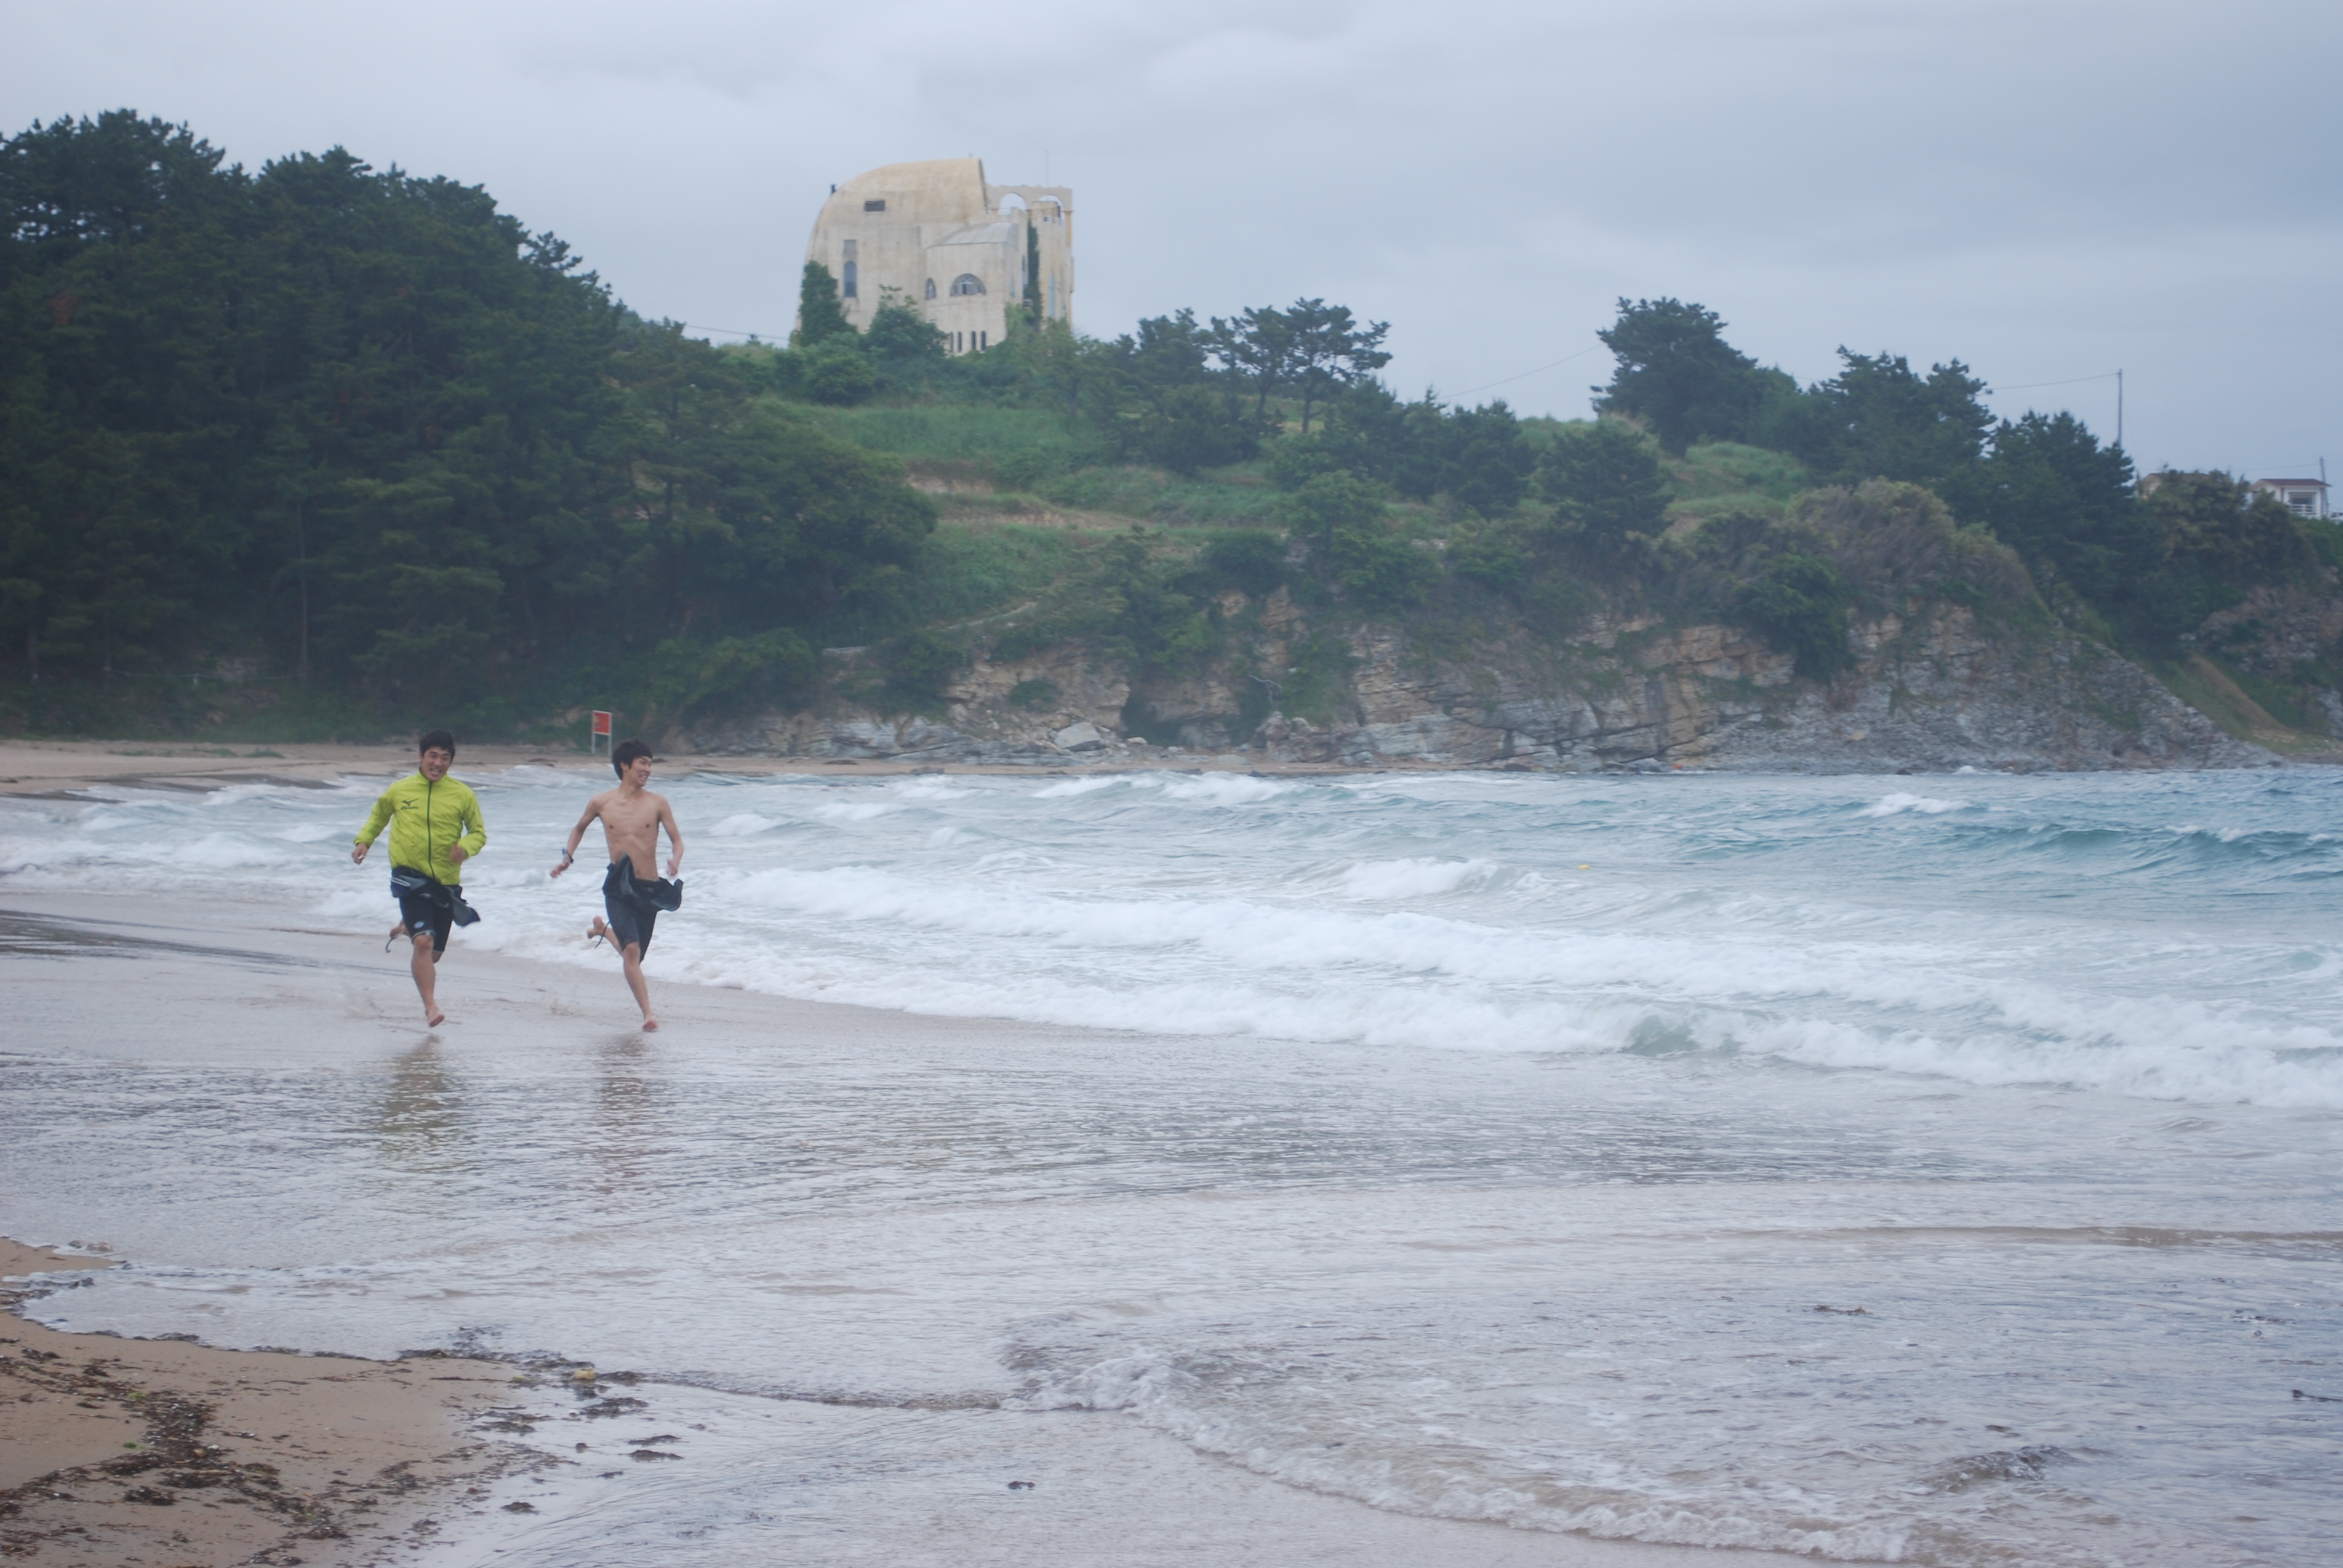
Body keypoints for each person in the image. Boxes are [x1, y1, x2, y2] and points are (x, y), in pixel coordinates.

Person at [352, 730, 488, 1028]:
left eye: (445, 758)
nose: (438, 763)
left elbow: (479, 833)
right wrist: (364, 841)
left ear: (451, 762)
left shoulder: (463, 795)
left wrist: (465, 848)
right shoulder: (400, 790)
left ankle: (408, 926)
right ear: (421, 757)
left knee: (433, 955)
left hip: (445, 883)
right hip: (408, 878)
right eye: (432, 756)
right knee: (424, 944)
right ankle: (431, 1007)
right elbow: (379, 817)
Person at [551, 738, 685, 1032]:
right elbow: (578, 828)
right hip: (619, 887)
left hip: (649, 889)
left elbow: (677, 839)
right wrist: (567, 857)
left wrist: (675, 860)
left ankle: (602, 930)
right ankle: (648, 1015)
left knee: (633, 955)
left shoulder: (658, 803)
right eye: (642, 763)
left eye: (650, 764)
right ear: (625, 766)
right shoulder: (602, 803)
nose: (648, 769)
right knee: (632, 952)